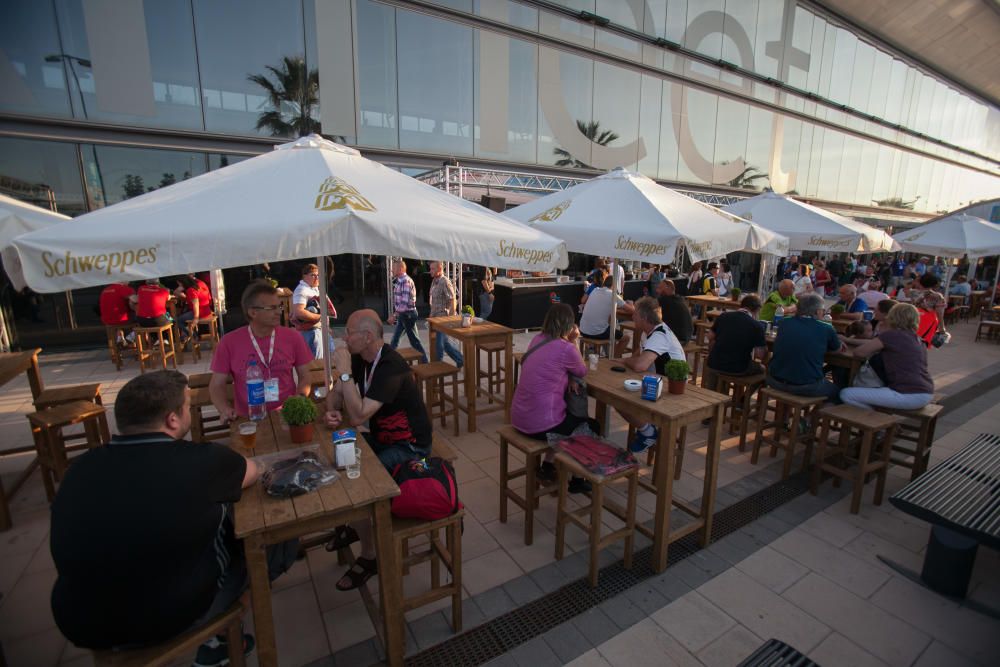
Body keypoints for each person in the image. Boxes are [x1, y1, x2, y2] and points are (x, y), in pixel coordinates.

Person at [50, 371, 297, 664]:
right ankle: (218, 635)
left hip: (82, 622)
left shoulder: (80, 469)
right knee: (276, 531)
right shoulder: (201, 460)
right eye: (187, 406)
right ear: (172, 419)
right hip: (166, 618)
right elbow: (251, 471)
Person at [323, 309, 433, 590]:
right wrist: (333, 410)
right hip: (383, 437)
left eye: (348, 332)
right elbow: (335, 396)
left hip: (410, 445)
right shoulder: (362, 358)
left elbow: (358, 416)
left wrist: (346, 374)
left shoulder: (391, 366)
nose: (344, 337)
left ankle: (370, 555)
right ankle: (354, 524)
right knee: (339, 458)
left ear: (367, 336)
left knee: (357, 481)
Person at [511, 304, 596, 494]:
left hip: (518, 417)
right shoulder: (567, 348)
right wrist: (574, 341)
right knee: (585, 424)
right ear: (569, 325)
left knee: (566, 419)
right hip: (540, 425)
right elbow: (582, 370)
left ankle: (548, 465)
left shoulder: (537, 339)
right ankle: (577, 479)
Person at [209, 281, 313, 421]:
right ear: (253, 312)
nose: (278, 312)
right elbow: (216, 385)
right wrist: (225, 409)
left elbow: (305, 376)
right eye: (271, 308)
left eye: (279, 307)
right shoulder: (229, 342)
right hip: (247, 417)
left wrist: (298, 400)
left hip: (286, 414)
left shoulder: (293, 337)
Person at [840, 303, 935, 411]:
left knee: (846, 394)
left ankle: (876, 422)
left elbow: (859, 353)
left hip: (907, 394)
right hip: (926, 391)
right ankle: (878, 419)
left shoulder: (892, 335)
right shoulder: (917, 339)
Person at [623, 297, 686, 453]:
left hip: (672, 389)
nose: (632, 317)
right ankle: (647, 429)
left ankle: (648, 432)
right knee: (619, 395)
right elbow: (640, 354)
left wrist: (625, 362)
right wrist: (626, 360)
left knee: (622, 401)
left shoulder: (659, 335)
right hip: (657, 380)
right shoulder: (650, 331)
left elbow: (640, 365)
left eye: (635, 314)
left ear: (644, 318)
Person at [766, 294, 842, 401]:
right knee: (839, 394)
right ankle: (810, 418)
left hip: (774, 380)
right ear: (818, 311)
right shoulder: (826, 328)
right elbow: (837, 350)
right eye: (823, 310)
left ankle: (786, 415)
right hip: (806, 386)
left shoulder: (784, 322)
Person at [702, 294, 766, 393]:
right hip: (738, 368)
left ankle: (715, 395)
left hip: (714, 363)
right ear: (757, 310)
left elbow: (709, 336)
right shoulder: (757, 326)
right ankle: (743, 400)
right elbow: (759, 355)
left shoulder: (723, 316)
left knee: (716, 364)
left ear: (741, 305)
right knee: (764, 370)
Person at [579, 275, 633, 357]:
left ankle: (609, 355)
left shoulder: (595, 290)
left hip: (583, 330)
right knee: (626, 338)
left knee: (606, 327)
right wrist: (631, 304)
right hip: (597, 333)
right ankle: (615, 359)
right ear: (615, 285)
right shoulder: (613, 295)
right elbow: (632, 310)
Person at [291, 263, 337, 359]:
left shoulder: (314, 288)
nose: (316, 278)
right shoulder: (302, 290)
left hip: (321, 330)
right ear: (304, 276)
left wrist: (326, 326)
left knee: (332, 359)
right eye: (313, 275)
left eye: (318, 275)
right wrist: (321, 317)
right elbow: (299, 312)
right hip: (312, 332)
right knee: (317, 364)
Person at [388, 260, 429, 362]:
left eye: (394, 268)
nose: (391, 270)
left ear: (401, 269)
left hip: (408, 315)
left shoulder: (405, 281)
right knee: (396, 339)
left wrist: (394, 315)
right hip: (405, 315)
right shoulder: (399, 280)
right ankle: (387, 360)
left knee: (414, 341)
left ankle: (425, 362)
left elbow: (404, 302)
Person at [428, 260, 464, 368]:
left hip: (443, 319)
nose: (430, 271)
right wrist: (431, 314)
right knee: (445, 344)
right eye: (430, 269)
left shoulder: (445, 281)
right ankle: (460, 359)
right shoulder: (434, 281)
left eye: (432, 269)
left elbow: (452, 300)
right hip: (435, 319)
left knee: (439, 345)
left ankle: (437, 369)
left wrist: (451, 319)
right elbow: (433, 300)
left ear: (439, 269)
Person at [655, 278, 693, 344]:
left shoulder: (664, 300)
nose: (657, 290)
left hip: (678, 339)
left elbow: (650, 313)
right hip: (687, 337)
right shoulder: (680, 299)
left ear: (667, 288)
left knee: (650, 342)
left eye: (660, 288)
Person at [175, 274, 212, 339]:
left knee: (178, 320)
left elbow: (196, 304)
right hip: (207, 310)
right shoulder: (199, 284)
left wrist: (196, 318)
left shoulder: (191, 290)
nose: (179, 286)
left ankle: (194, 336)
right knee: (184, 316)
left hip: (200, 312)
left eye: (179, 284)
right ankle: (188, 335)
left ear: (182, 283)